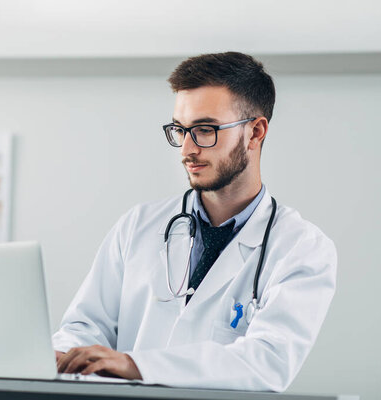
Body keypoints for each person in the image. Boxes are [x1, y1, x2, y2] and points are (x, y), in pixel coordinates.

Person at [52, 52, 337, 392]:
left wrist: (135, 365)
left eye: (204, 130)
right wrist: (63, 355)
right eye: (180, 130)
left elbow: (268, 362)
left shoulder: (302, 248)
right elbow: (85, 326)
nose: (187, 149)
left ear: (255, 132)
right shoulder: (138, 226)